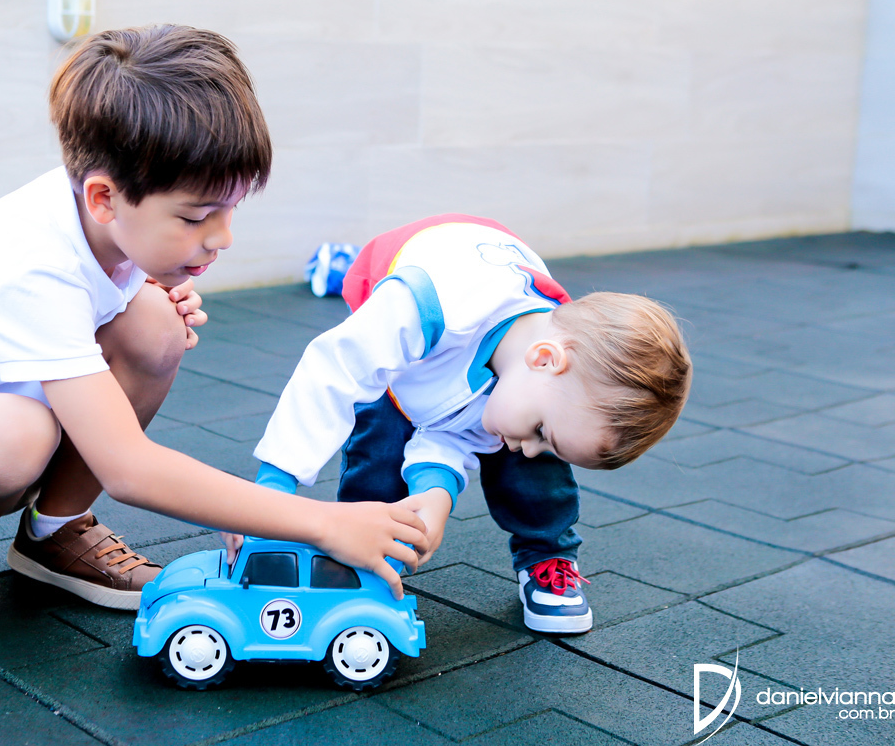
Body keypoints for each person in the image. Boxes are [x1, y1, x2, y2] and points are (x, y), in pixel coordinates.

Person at [0, 25, 427, 659]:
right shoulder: (30, 264)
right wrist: (322, 522)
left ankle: (52, 531)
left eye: (231, 210)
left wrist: (150, 287)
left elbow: (116, 305)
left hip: (26, 418)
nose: (222, 237)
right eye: (196, 217)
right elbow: (129, 469)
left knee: (155, 325)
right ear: (104, 197)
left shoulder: (109, 221)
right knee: (14, 436)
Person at [249, 214, 691, 635]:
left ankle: (547, 555)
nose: (530, 447)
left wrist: (435, 489)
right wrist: (273, 487)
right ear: (543, 359)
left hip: (483, 344)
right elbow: (331, 373)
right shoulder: (423, 306)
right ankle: (359, 552)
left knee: (531, 455)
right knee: (381, 445)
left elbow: (453, 426)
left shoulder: (535, 376)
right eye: (541, 432)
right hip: (425, 294)